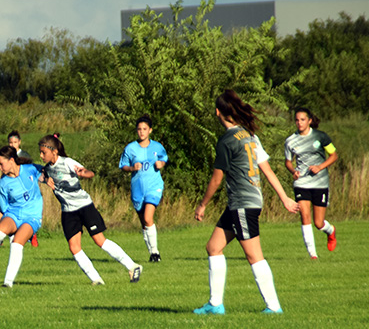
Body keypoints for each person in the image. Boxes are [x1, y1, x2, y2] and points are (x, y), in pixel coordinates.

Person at [193, 90, 298, 315]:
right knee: (213, 247)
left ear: (218, 112)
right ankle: (215, 305)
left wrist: (202, 204)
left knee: (254, 255)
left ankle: (274, 307)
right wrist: (284, 198)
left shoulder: (226, 141)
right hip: (246, 202)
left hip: (242, 203)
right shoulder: (250, 135)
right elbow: (266, 169)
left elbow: (216, 178)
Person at [39, 134, 142, 285]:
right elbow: (36, 174)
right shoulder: (47, 169)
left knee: (99, 240)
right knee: (74, 247)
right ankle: (96, 280)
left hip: (84, 207)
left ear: (54, 151)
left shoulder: (67, 162)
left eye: (43, 152)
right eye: (40, 152)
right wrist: (45, 179)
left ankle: (133, 266)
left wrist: (83, 173)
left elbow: (89, 172)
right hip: (68, 211)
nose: (41, 155)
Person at [0, 146, 43, 288]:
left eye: (1, 163)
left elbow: (46, 173)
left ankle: (7, 283)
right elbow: (3, 208)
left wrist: (49, 180)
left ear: (11, 160)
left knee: (17, 243)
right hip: (13, 214)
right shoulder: (2, 184)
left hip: (32, 216)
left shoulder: (30, 169)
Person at [284, 107, 339, 259]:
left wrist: (320, 167)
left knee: (318, 222)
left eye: (302, 120)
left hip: (320, 182)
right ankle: (312, 254)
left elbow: (334, 155)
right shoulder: (290, 141)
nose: (299, 123)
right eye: (297, 120)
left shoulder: (321, 137)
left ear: (309, 121)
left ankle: (330, 231)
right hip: (301, 182)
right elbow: (288, 161)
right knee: (304, 215)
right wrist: (293, 171)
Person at [120, 115, 168, 262]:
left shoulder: (157, 147)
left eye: (144, 129)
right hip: (137, 189)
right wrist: (131, 168)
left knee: (148, 218)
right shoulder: (130, 148)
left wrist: (161, 164)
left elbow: (164, 158)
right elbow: (123, 166)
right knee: (144, 223)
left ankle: (155, 252)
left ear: (150, 130)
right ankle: (153, 253)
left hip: (154, 186)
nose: (141, 132)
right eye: (139, 129)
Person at [7, 130, 38, 247]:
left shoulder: (24, 156)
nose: (13, 145)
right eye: (10, 142)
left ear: (19, 142)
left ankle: (31, 234)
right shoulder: (7, 156)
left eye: (15, 142)